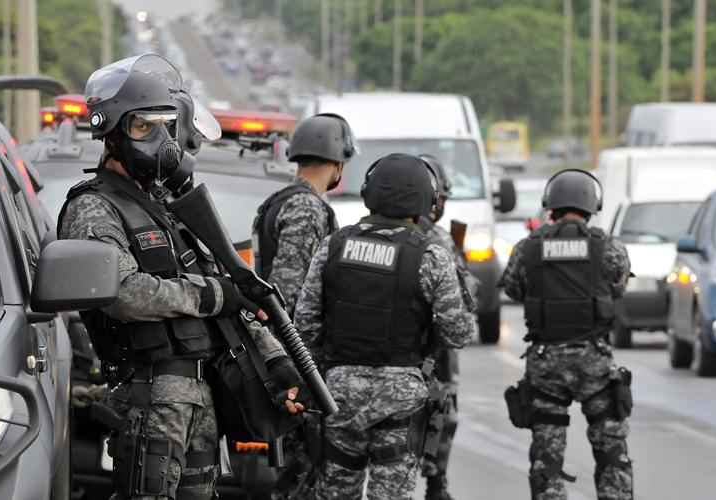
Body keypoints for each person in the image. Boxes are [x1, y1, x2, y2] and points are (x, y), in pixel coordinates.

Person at [58, 54, 304, 500]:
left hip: (201, 394)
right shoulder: (94, 206)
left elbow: (232, 290)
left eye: (164, 125)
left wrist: (276, 362)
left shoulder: (168, 206)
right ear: (112, 134)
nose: (158, 139)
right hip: (151, 394)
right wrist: (212, 296)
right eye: (141, 127)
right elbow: (124, 294)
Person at [295, 153, 477, 500]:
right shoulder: (430, 255)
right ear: (425, 200)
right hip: (401, 399)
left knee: (336, 492)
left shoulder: (334, 246)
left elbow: (304, 323)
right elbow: (459, 334)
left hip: (339, 394)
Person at [500, 169, 634, 500]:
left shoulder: (528, 248)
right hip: (595, 366)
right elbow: (617, 288)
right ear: (591, 206)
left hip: (547, 366)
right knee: (612, 454)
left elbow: (515, 289)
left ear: (551, 206)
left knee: (547, 459)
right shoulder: (609, 248)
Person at [253, 113, 356, 314]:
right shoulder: (306, 208)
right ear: (338, 163)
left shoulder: (284, 199)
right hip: (289, 338)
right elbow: (287, 290)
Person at [418, 155, 477, 500]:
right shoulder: (440, 239)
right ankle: (436, 482)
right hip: (435, 349)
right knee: (445, 413)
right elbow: (466, 304)